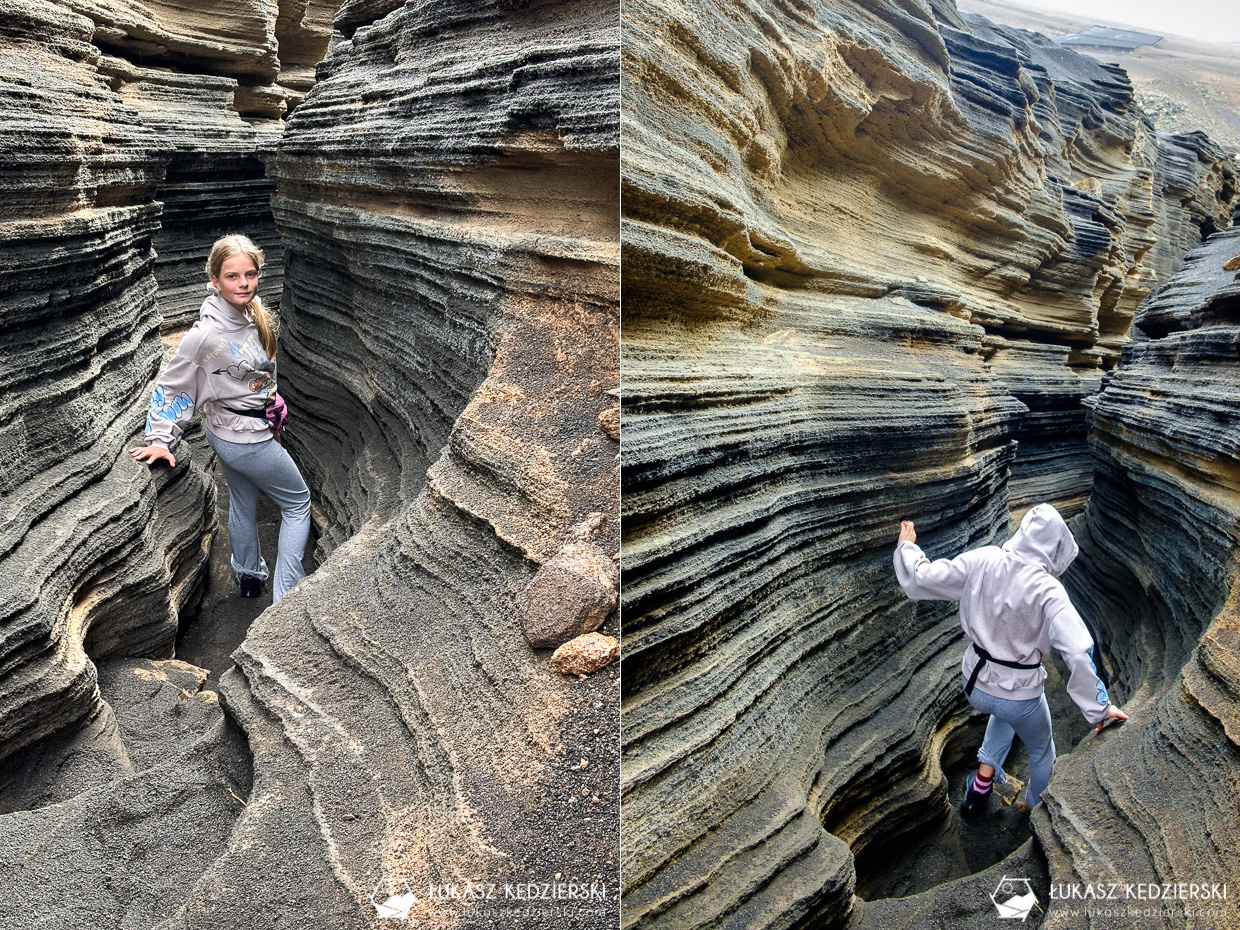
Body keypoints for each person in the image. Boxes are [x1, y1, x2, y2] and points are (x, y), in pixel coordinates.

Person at [893, 503, 1128, 816]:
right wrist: (1099, 709)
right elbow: (1076, 652)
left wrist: (907, 547)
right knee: (1043, 752)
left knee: (1003, 712)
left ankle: (979, 789)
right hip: (1018, 696)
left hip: (974, 683)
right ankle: (1036, 812)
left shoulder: (985, 558)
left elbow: (921, 580)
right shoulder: (1050, 592)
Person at [130, 234, 311, 603]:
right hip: (247, 440)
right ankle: (287, 599)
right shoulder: (205, 336)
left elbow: (259, 374)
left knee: (243, 502)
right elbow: (173, 386)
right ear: (214, 280)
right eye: (232, 276)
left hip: (231, 433)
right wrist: (160, 441)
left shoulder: (253, 309)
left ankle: (248, 576)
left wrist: (270, 412)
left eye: (250, 274)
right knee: (297, 503)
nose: (243, 283)